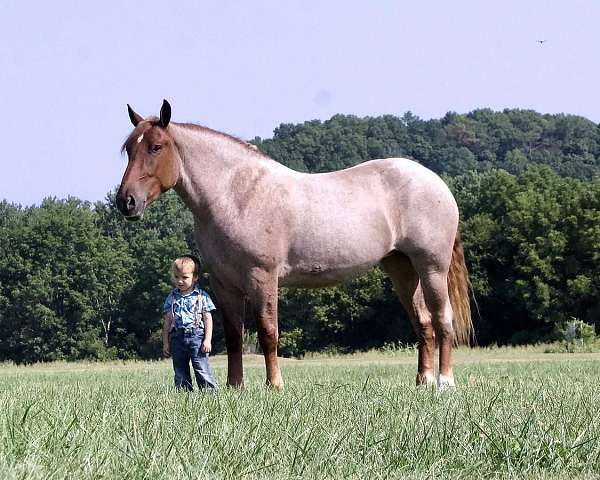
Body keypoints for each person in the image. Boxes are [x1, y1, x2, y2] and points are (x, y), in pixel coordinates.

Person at [162, 255, 217, 391]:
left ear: (195, 277)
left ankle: (209, 393)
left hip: (196, 337)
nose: (180, 281)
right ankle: (184, 394)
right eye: (176, 277)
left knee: (201, 367)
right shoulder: (172, 297)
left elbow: (208, 319)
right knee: (180, 370)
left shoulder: (202, 296)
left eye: (184, 277)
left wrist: (207, 340)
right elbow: (167, 321)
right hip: (177, 338)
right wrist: (166, 343)